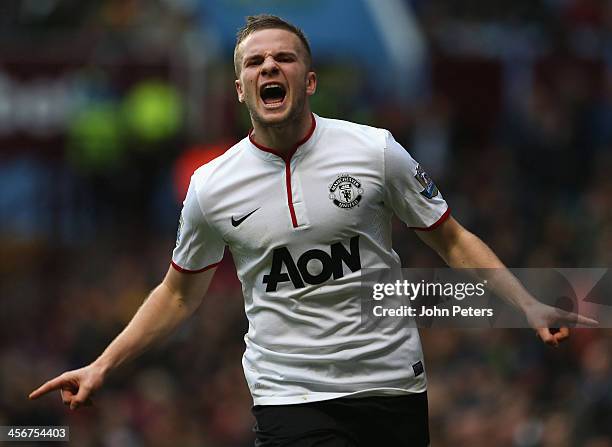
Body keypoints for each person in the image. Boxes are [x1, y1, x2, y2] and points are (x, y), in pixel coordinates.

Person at [30, 15, 598, 447]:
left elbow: (450, 237)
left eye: (283, 58)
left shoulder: (374, 151)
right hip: (289, 394)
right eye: (254, 63)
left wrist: (526, 303)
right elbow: (178, 292)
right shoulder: (210, 186)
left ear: (310, 80)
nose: (269, 68)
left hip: (390, 384)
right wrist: (103, 365)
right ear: (239, 89)